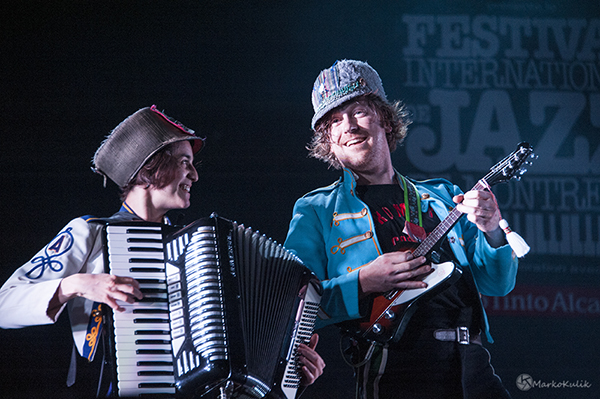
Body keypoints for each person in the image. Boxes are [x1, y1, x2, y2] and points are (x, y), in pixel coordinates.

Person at [0, 105, 324, 396]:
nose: (194, 175)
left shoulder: (202, 251)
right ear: (148, 168)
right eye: (185, 163)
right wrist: (76, 284)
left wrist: (286, 371)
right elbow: (5, 304)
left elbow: (230, 363)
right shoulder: (90, 233)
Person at [284, 60, 518, 399]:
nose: (349, 125)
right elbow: (294, 307)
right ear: (328, 141)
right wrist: (364, 281)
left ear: (385, 119)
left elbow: (497, 283)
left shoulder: (441, 196)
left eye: (359, 111)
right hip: (394, 365)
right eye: (335, 120)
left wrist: (492, 229)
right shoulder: (315, 210)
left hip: (474, 363)